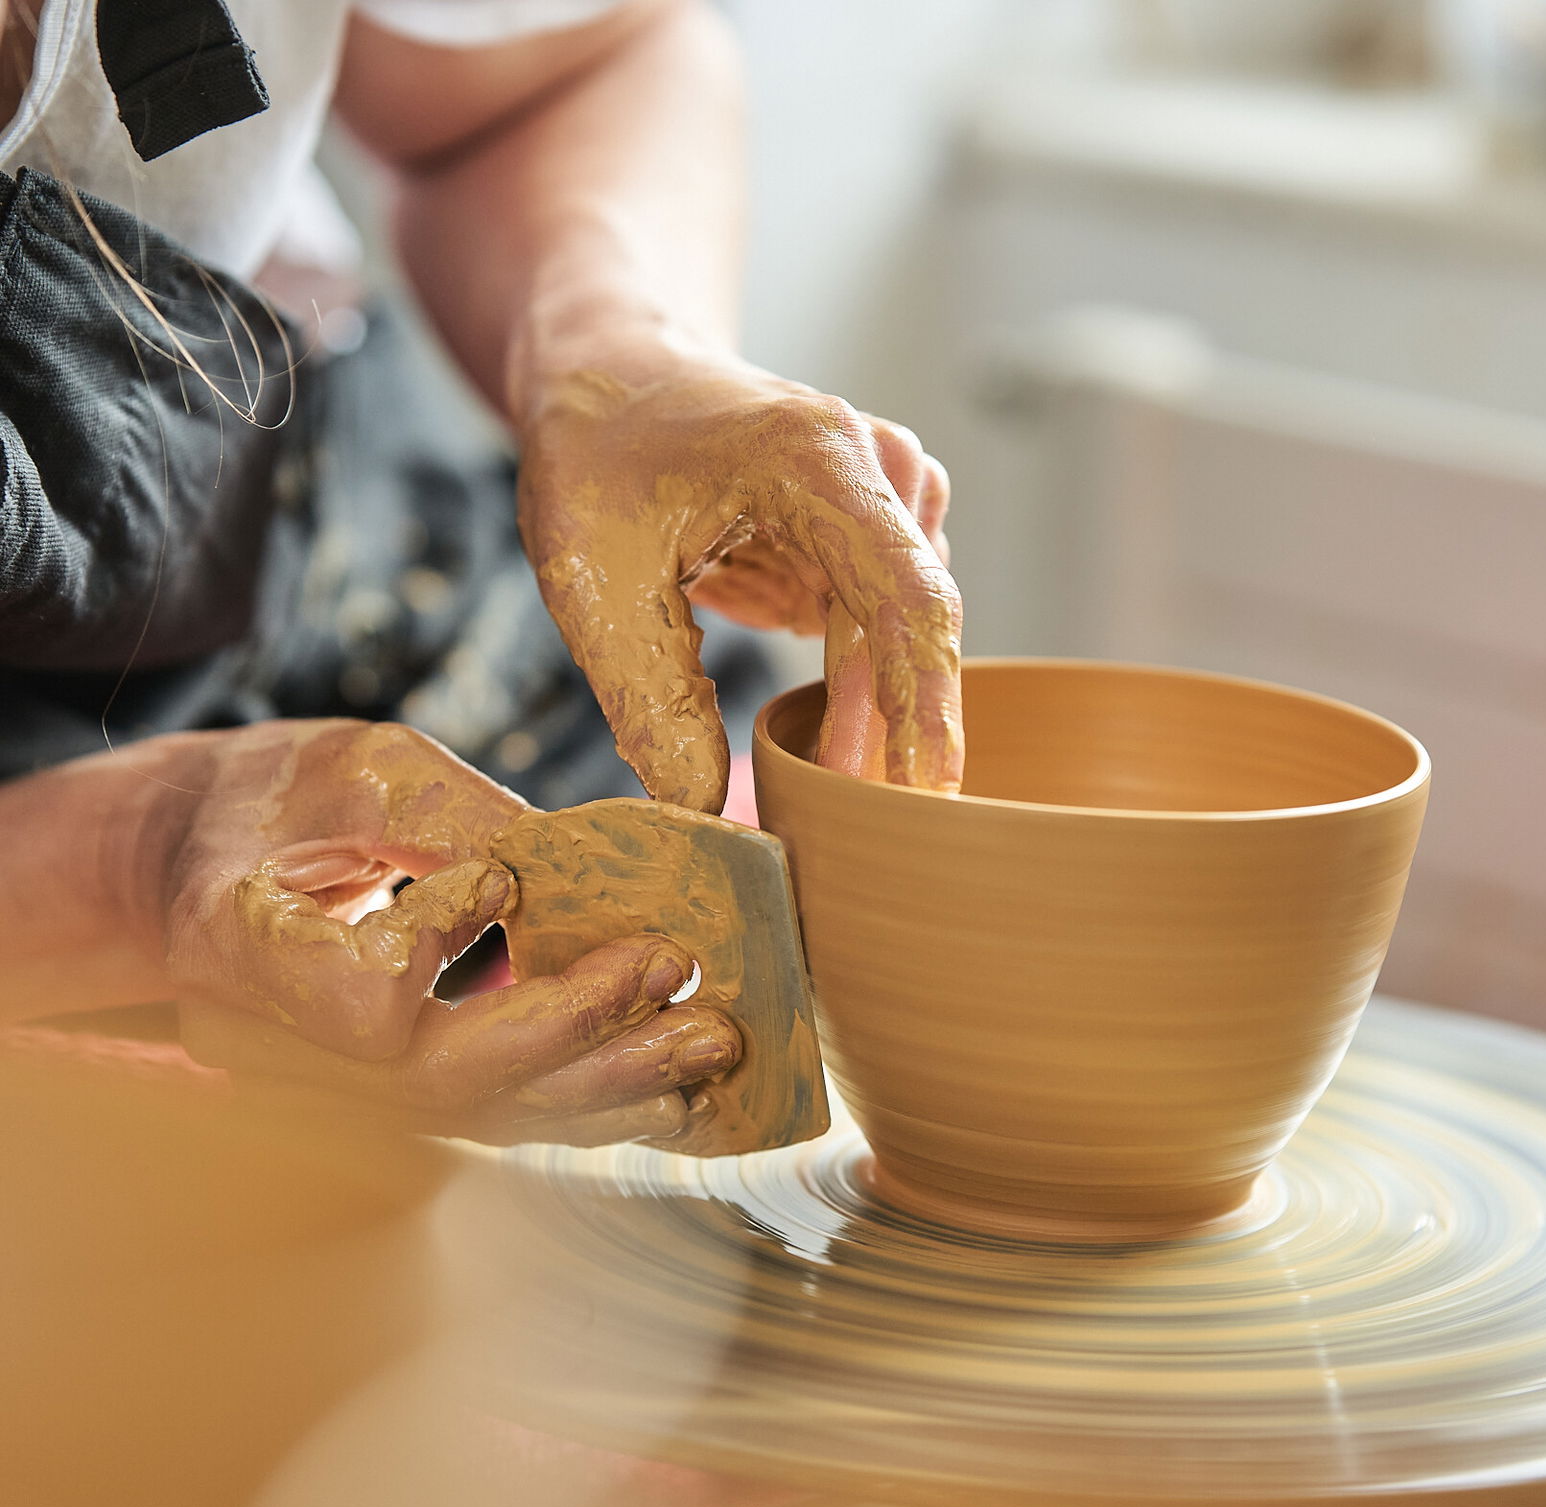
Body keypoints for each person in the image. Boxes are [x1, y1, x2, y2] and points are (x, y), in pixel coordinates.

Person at [0, 0, 963, 1142]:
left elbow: (553, 76)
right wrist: (138, 861)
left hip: (296, 510)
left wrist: (616, 344)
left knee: (773, 875)